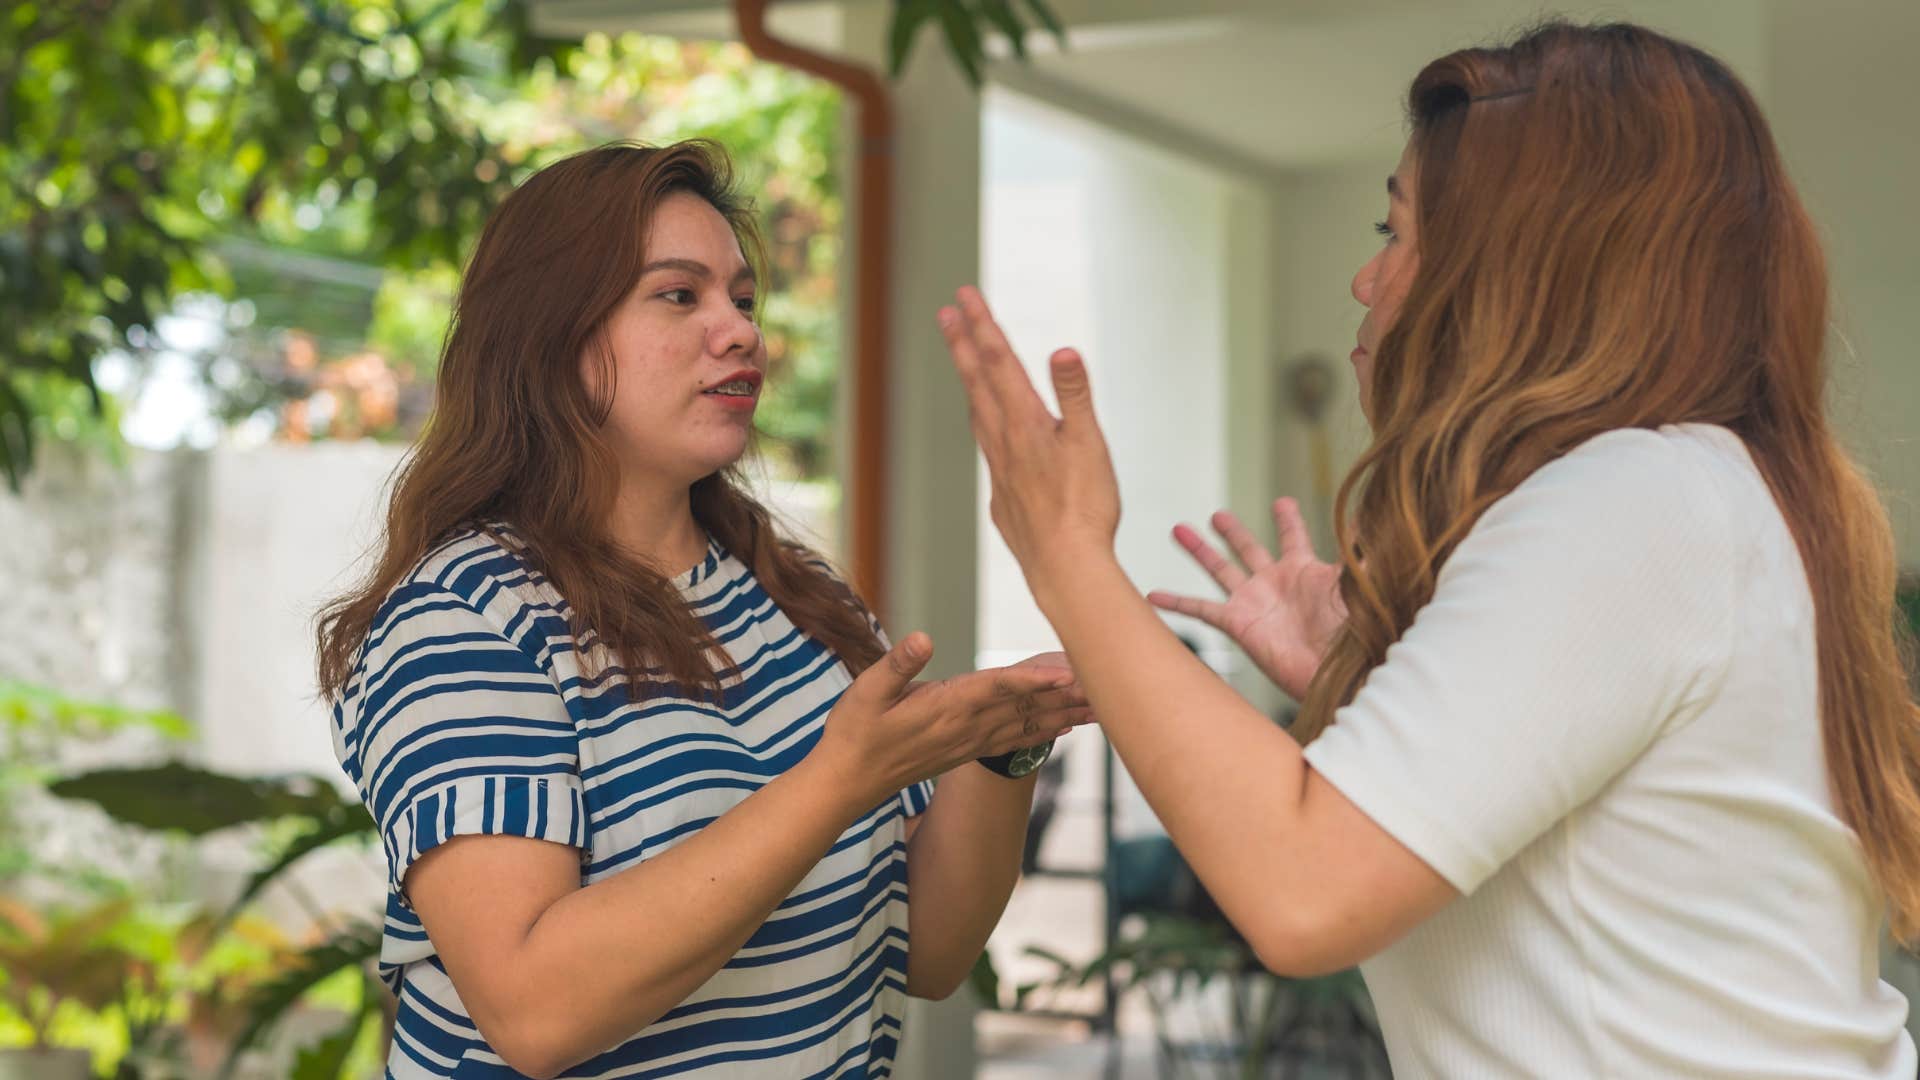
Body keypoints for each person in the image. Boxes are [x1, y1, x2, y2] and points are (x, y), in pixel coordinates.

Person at [938, 20, 1920, 1078]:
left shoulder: (1634, 498)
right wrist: (1372, 682)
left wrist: (1070, 556)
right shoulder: (1702, 490)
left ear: (1523, 270)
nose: (1368, 282)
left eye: (1396, 232)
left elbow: (1305, 894)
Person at [315, 140, 1087, 1080]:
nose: (740, 332)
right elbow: (534, 1010)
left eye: (744, 300)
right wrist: (832, 783)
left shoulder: (798, 595)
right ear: (548, 335)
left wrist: (1004, 748)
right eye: (680, 296)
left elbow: (925, 952)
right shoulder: (462, 620)